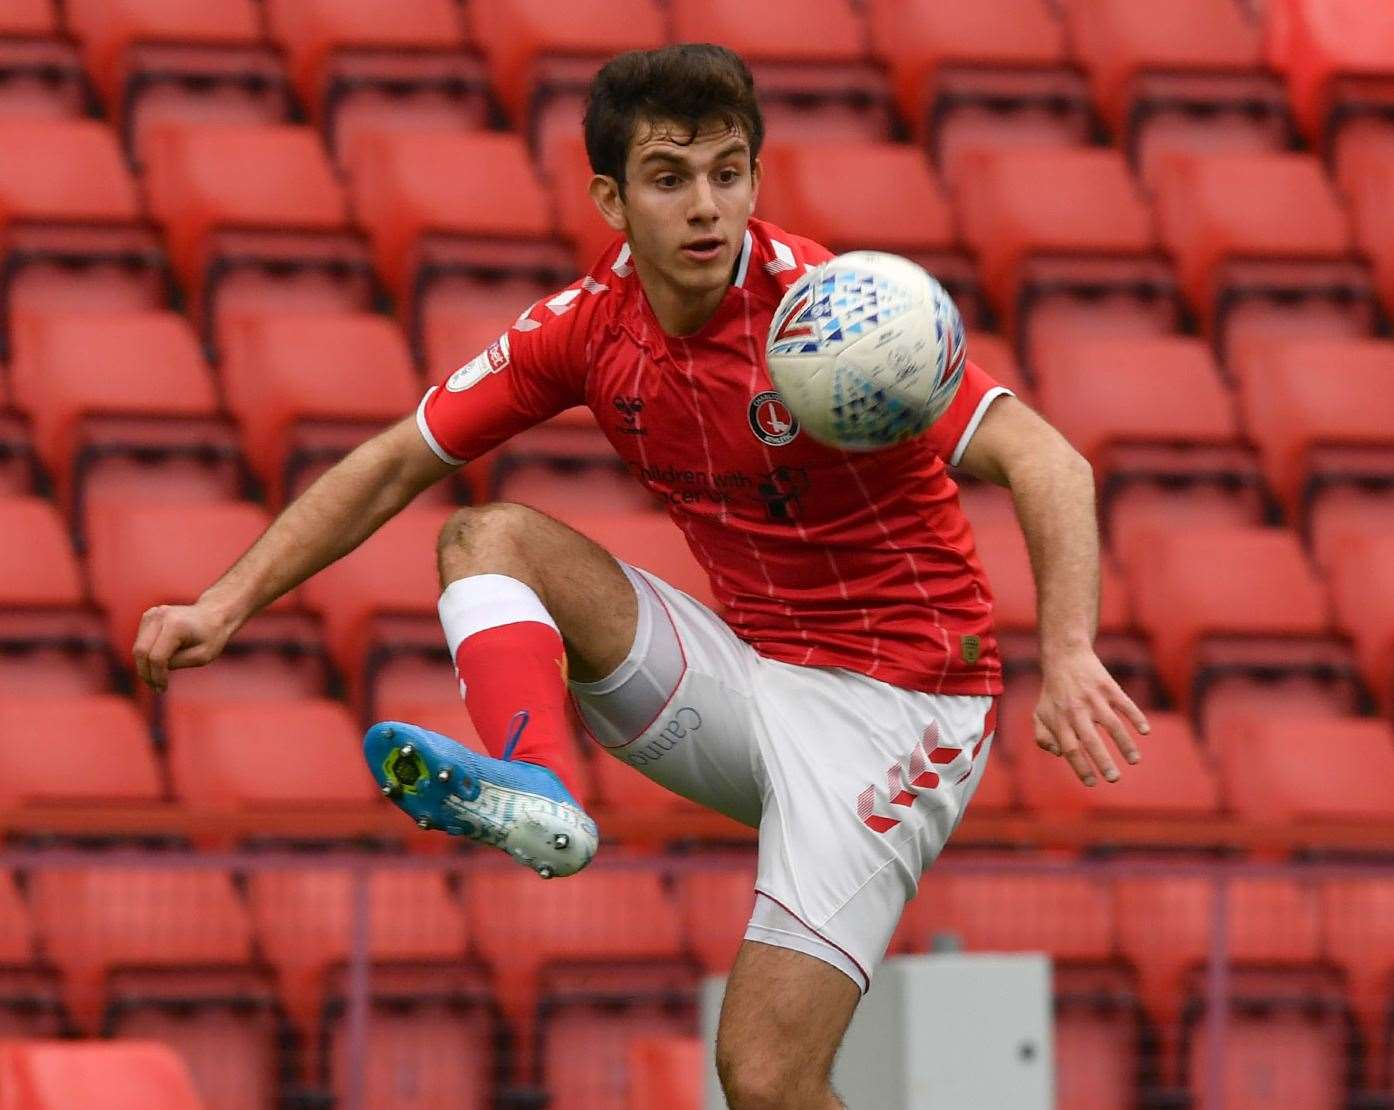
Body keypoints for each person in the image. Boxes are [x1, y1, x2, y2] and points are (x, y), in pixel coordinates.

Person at [133, 43, 1149, 1110]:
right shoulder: (584, 330)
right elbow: (395, 460)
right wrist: (224, 602)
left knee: (761, 1076)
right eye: (669, 177)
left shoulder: (834, 317)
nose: (705, 205)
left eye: (728, 171)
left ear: (757, 177)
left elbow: (1044, 457)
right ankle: (538, 786)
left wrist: (1069, 649)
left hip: (902, 708)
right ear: (611, 199)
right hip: (752, 676)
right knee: (488, 539)